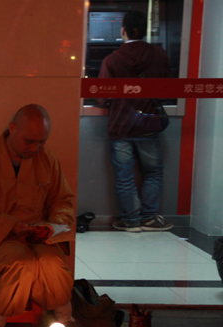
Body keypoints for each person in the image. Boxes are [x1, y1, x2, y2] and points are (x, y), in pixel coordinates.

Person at [0, 104, 88, 327]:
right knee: (19, 262)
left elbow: (63, 200)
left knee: (52, 263)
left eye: (42, 142)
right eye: (30, 141)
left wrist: (52, 226)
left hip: (37, 237)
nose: (36, 148)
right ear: (12, 128)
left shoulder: (47, 160)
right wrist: (7, 225)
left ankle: (66, 318)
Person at [98, 10, 172, 232]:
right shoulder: (159, 55)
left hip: (121, 127)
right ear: (146, 30)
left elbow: (102, 98)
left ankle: (130, 221)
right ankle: (149, 218)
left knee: (124, 176)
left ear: (123, 31)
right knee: (153, 172)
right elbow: (166, 87)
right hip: (148, 125)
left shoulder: (111, 60)